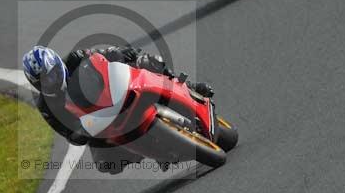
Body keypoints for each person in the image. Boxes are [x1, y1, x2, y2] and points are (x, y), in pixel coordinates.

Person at [22, 45, 214, 174]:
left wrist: (122, 55)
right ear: (36, 84)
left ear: (57, 64)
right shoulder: (46, 106)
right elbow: (66, 131)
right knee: (106, 165)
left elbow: (106, 56)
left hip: (118, 91)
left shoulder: (76, 58)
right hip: (99, 122)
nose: (51, 82)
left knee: (148, 60)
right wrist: (78, 133)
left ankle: (191, 87)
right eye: (45, 82)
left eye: (52, 75)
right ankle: (153, 150)